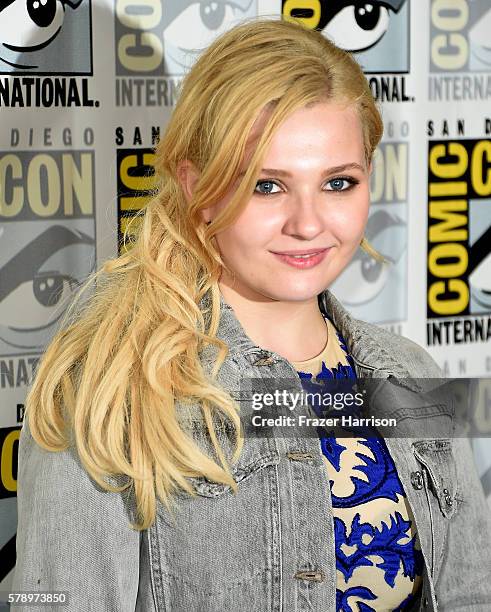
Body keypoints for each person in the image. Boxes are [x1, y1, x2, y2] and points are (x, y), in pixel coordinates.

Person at [12, 16, 491, 612]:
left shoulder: (413, 370)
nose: (309, 223)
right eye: (267, 185)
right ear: (195, 184)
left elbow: (471, 592)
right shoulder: (109, 383)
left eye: (338, 183)